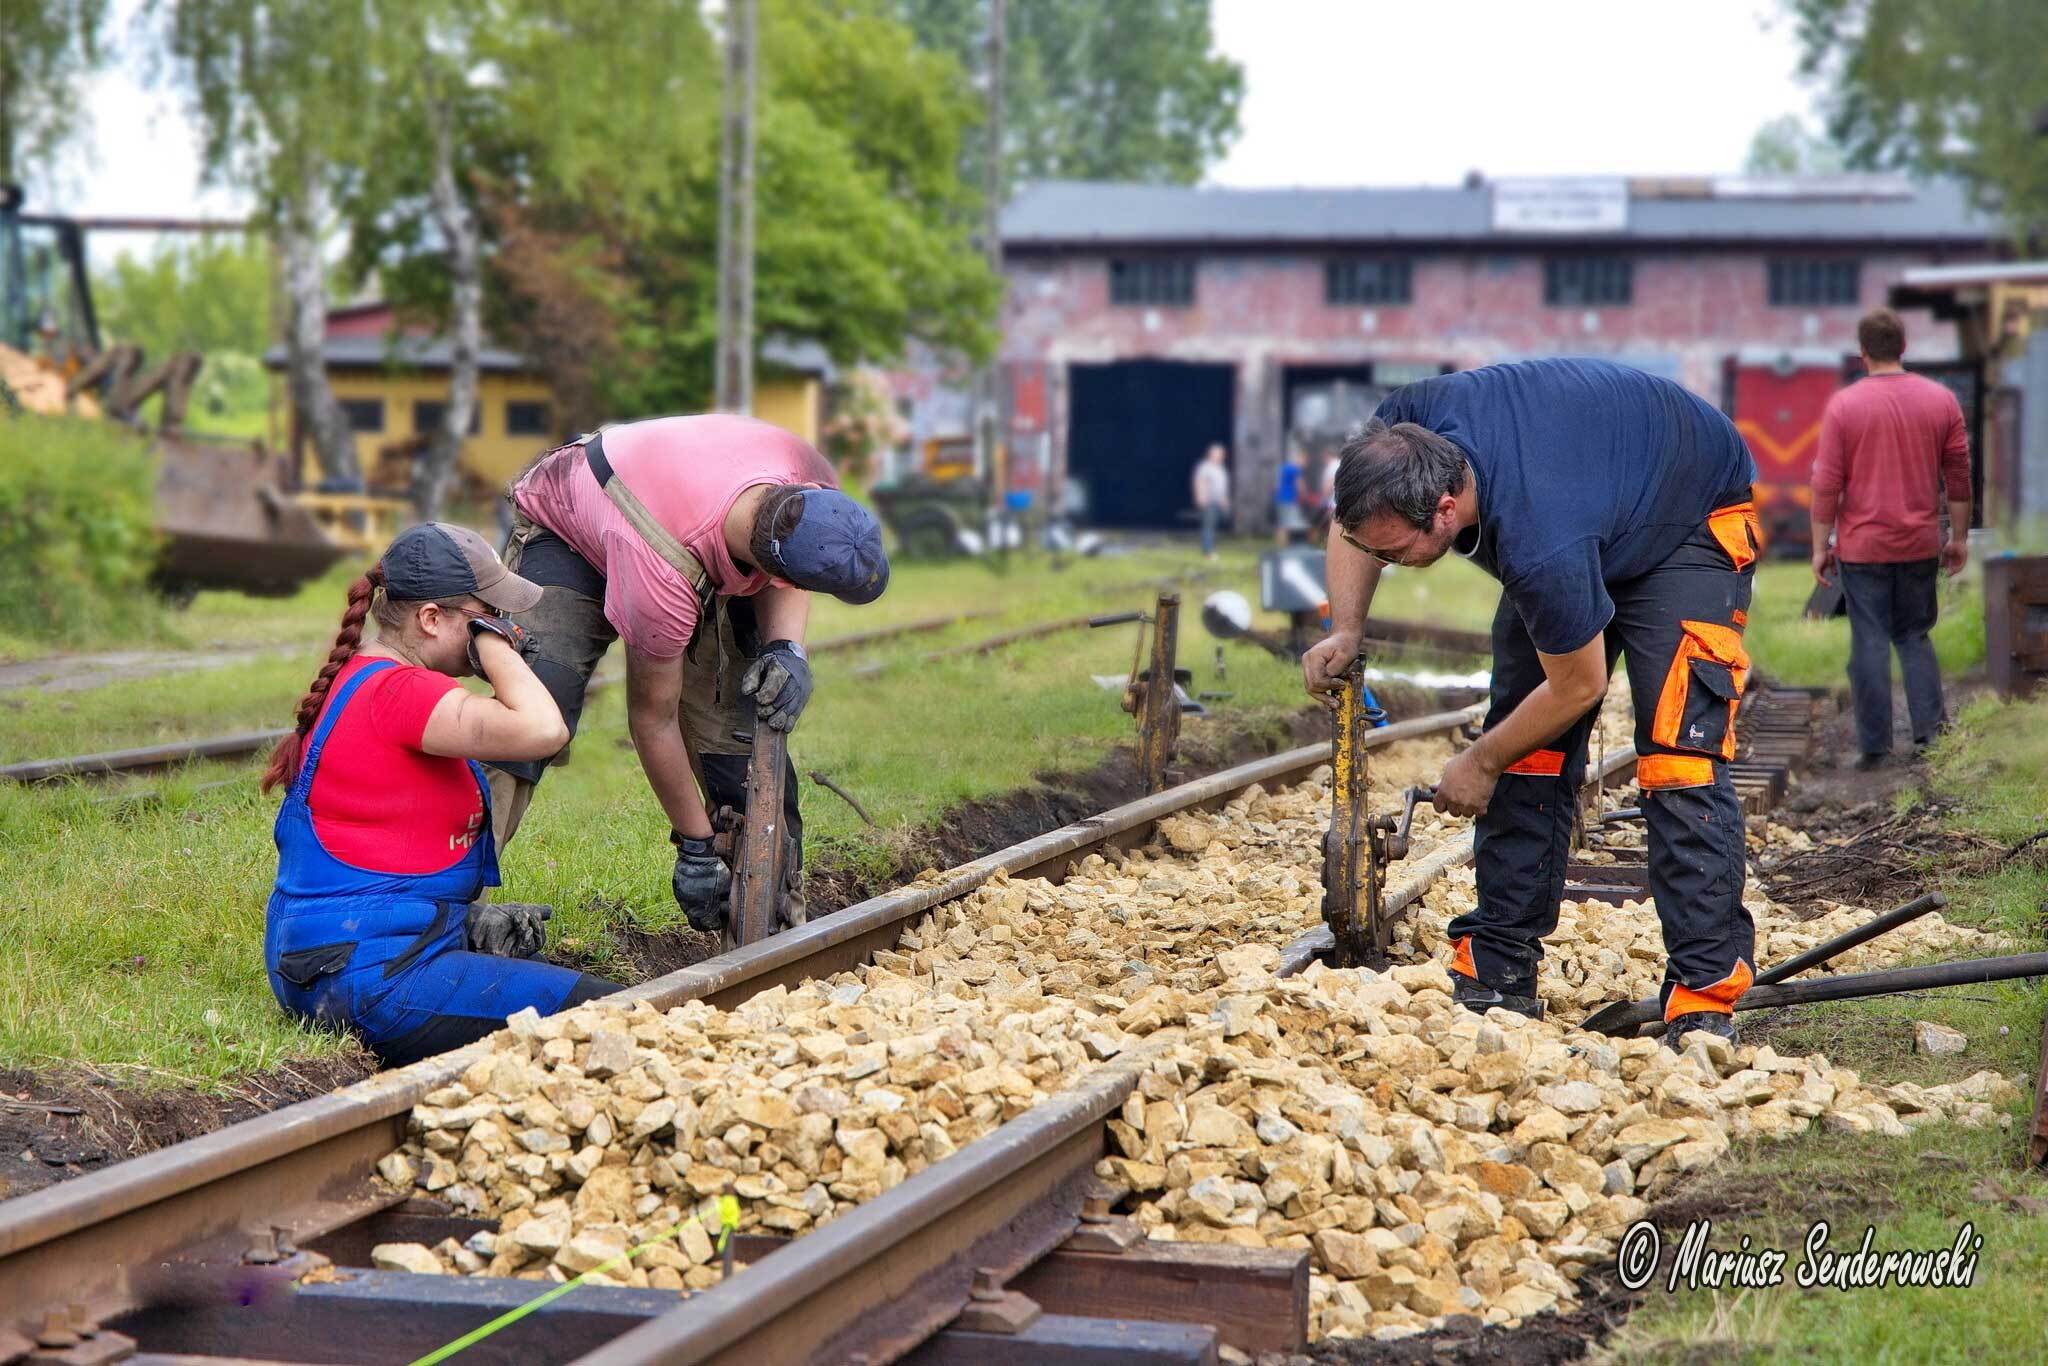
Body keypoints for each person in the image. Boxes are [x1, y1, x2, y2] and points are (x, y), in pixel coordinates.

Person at [1304, 358, 1761, 1049]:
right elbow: (1356, 527)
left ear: (1446, 511)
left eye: (1397, 554)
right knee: (1532, 745)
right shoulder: (1402, 434)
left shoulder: (1540, 541)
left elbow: (1579, 687)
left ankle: (1702, 996)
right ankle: (1498, 965)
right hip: (1595, 492)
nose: (1386, 562)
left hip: (1689, 517)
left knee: (1677, 756)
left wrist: (1479, 763)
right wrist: (1346, 626)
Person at [492, 415, 890, 937]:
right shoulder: (662, 576)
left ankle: (768, 928)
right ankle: (441, 902)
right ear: (771, 574)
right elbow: (652, 720)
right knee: (533, 717)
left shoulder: (806, 473)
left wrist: (788, 649)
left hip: (682, 518)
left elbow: (790, 552)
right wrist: (696, 846)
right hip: (572, 522)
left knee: (740, 740)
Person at [262, 523, 619, 1067]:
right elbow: (544, 728)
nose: (504, 626)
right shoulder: (404, 691)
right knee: (611, 1012)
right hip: (371, 977)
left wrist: (465, 924)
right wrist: (495, 648)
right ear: (431, 619)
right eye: (487, 615)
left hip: (329, 963)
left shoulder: (366, 678)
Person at [1810, 309, 1971, 770]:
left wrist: (1821, 547)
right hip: (1920, 543)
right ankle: (1930, 736)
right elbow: (1957, 477)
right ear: (1903, 347)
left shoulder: (1845, 406)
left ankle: (1875, 748)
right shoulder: (1941, 400)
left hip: (1862, 549)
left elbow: (1827, 483)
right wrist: (1958, 537)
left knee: (1870, 640)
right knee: (1915, 635)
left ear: (1862, 352)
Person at [1192, 443, 1231, 559]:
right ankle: (1208, 552)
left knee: (1214, 526)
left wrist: (1225, 500)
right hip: (1209, 500)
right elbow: (1199, 481)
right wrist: (1200, 497)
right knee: (1208, 526)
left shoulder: (1220, 468)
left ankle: (1211, 548)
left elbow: (1222, 486)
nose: (1221, 456)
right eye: (1218, 454)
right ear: (1211, 454)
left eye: (1222, 454)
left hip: (1219, 501)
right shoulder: (1205, 467)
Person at [1273, 446, 1308, 546]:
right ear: (1299, 458)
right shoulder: (1295, 469)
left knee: (1282, 523)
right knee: (1288, 524)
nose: (1304, 464)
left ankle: (1280, 544)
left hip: (1280, 498)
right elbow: (1300, 485)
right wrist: (1305, 495)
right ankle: (1286, 546)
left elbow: (1277, 485)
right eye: (1304, 460)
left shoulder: (1284, 467)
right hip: (1289, 499)